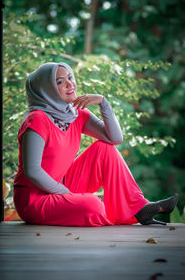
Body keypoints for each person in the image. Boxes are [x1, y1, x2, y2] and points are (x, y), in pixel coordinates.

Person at [13, 62, 179, 227]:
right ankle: (120, 213)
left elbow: (114, 138)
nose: (70, 83)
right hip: (34, 199)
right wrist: (66, 194)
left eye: (70, 77)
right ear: (46, 89)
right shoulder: (37, 119)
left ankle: (140, 208)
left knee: (105, 149)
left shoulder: (75, 114)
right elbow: (32, 171)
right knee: (94, 205)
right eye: (60, 81)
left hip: (63, 185)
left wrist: (103, 103)